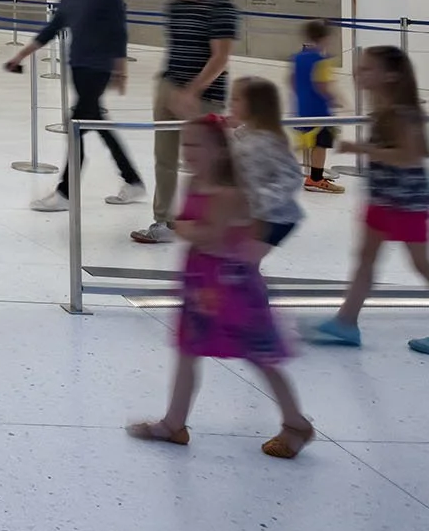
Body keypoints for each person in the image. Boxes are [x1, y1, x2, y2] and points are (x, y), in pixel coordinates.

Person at [126, 115, 312, 457]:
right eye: (187, 144)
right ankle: (173, 422)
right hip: (202, 282)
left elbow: (206, 235)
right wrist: (193, 229)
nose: (189, 151)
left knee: (261, 355)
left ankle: (296, 422)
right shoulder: (197, 182)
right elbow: (192, 226)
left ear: (221, 151)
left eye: (198, 145)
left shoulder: (229, 191)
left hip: (233, 286)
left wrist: (190, 229)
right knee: (187, 351)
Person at [304, 45, 429, 353]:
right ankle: (346, 322)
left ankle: (346, 322)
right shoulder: (386, 108)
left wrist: (362, 150)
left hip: (405, 202)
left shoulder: (402, 112)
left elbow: (410, 155)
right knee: (365, 259)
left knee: (421, 264)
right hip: (384, 199)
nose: (360, 73)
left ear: (391, 75)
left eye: (367, 68)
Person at [5, 0, 143, 212]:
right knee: (100, 126)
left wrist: (121, 70)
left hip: (98, 69)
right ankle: (133, 180)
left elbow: (119, 33)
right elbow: (52, 28)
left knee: (75, 126)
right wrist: (21, 55)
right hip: (77, 67)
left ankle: (66, 192)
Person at [131, 0, 238, 246]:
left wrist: (193, 91)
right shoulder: (173, 7)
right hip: (170, 88)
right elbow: (175, 50)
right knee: (163, 157)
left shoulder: (219, 7)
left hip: (204, 95)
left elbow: (220, 57)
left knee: (207, 162)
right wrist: (168, 88)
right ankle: (163, 220)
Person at [230, 76, 303, 261]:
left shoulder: (269, 141)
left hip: (274, 218)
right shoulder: (249, 135)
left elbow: (292, 177)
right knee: (243, 265)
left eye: (237, 99)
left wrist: (260, 201)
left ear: (255, 105)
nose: (231, 104)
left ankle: (255, 290)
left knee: (244, 264)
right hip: (256, 215)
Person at [292, 19, 343, 192]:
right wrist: (334, 99)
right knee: (321, 144)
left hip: (303, 107)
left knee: (308, 142)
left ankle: (311, 173)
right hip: (319, 110)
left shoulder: (298, 58)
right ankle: (315, 178)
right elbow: (321, 85)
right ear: (325, 38)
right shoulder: (321, 61)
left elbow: (291, 81)